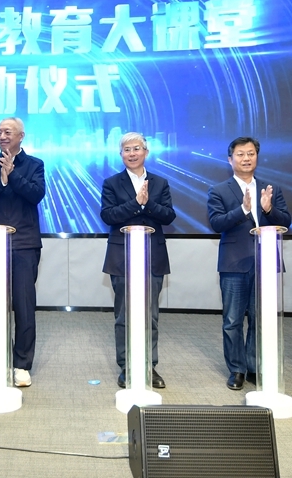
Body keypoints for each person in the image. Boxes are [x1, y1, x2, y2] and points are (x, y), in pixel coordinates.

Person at [207, 137, 291, 390]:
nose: (246, 158)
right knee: (232, 320)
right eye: (241, 154)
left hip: (265, 261)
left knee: (260, 318)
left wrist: (268, 210)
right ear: (230, 159)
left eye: (251, 153)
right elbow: (216, 223)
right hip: (234, 263)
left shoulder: (270, 188)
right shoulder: (218, 190)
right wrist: (243, 210)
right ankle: (237, 369)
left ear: (257, 157)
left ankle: (253, 366)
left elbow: (286, 221)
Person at [0, 117, 45, 387]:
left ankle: (22, 365)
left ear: (21, 136)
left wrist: (12, 175)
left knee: (24, 306)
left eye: (8, 132)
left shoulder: (35, 164)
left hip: (24, 244)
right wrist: (0, 182)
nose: (2, 136)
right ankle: (1, 362)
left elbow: (36, 194)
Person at [100, 132, 176, 390]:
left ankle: (149, 365)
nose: (132, 153)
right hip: (122, 257)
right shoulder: (111, 183)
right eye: (127, 150)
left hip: (153, 256)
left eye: (136, 148)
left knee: (150, 315)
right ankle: (127, 366)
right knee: (124, 315)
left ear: (146, 152)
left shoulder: (160, 183)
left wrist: (147, 204)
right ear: (121, 154)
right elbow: (108, 216)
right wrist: (135, 203)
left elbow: (168, 216)